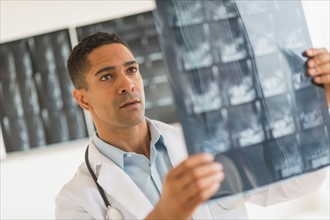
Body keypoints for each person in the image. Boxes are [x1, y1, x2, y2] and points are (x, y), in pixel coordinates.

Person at [55, 32, 330, 219]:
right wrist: (165, 215)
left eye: (131, 70)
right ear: (83, 99)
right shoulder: (76, 200)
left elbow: (297, 181)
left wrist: (317, 104)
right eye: (106, 77)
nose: (127, 84)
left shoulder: (210, 142)